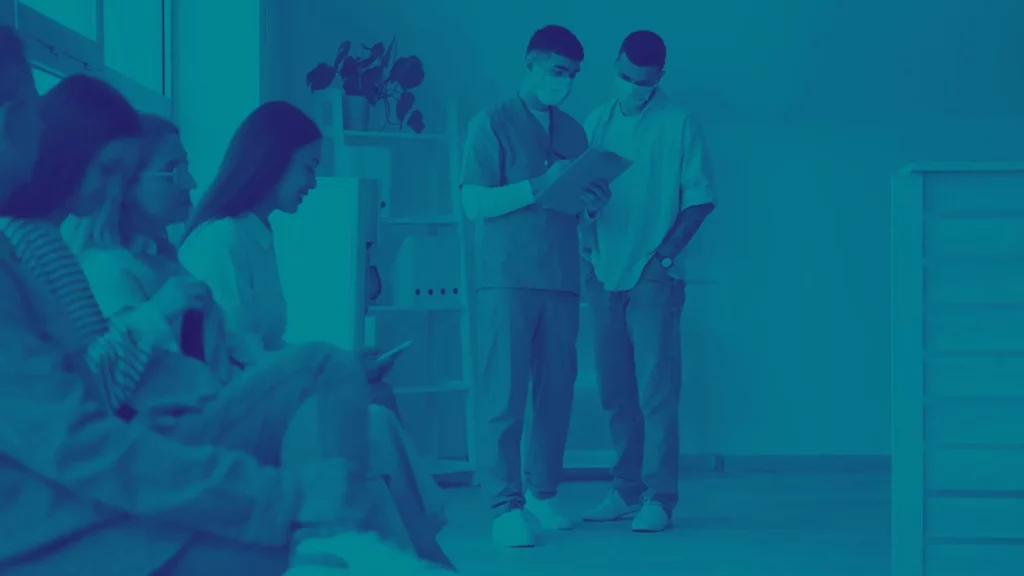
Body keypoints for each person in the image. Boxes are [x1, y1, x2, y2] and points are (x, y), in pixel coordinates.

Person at [0, 66, 445, 575]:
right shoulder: (78, 254)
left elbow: (90, 391)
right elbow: (87, 419)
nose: (188, 182)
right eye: (110, 172)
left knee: (344, 387)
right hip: (148, 439)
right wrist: (278, 495)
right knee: (339, 392)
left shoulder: (70, 248)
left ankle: (361, 541)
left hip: (170, 420)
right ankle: (345, 538)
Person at [459, 25, 610, 548]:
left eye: (571, 75)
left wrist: (591, 201)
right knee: (502, 391)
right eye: (555, 71)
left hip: (561, 278)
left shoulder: (573, 131)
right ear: (531, 63)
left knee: (556, 391)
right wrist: (536, 186)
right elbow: (474, 203)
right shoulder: (492, 123)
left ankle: (542, 493)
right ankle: (504, 506)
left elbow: (575, 203)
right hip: (506, 277)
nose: (563, 82)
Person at [578, 31, 716, 533]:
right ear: (614, 64)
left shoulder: (679, 124)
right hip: (602, 269)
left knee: (656, 391)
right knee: (615, 391)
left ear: (659, 77)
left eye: (643, 80)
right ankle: (624, 490)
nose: (633, 87)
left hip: (652, 275)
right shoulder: (596, 120)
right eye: (626, 76)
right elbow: (582, 191)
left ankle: (660, 497)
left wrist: (662, 258)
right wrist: (588, 210)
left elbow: (700, 198)